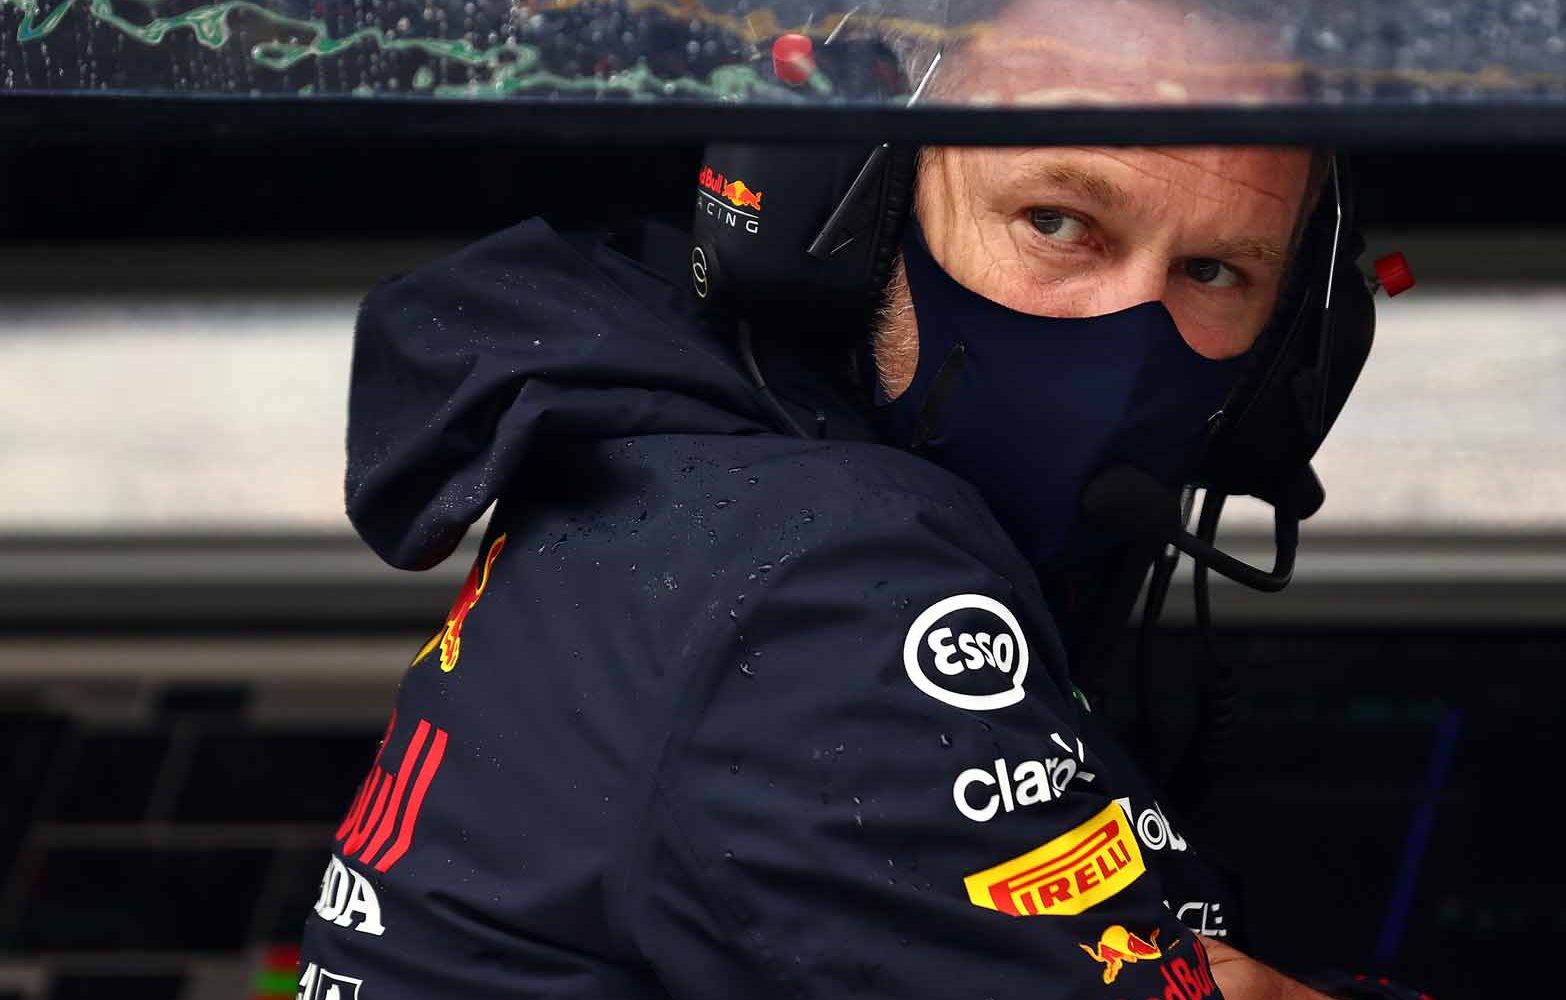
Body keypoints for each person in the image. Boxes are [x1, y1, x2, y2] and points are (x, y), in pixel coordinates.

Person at [300, 2, 1407, 998]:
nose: (1123, 343)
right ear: (848, 205)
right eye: (1059, 222)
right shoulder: (819, 583)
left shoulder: (699, 495)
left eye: (1215, 273)